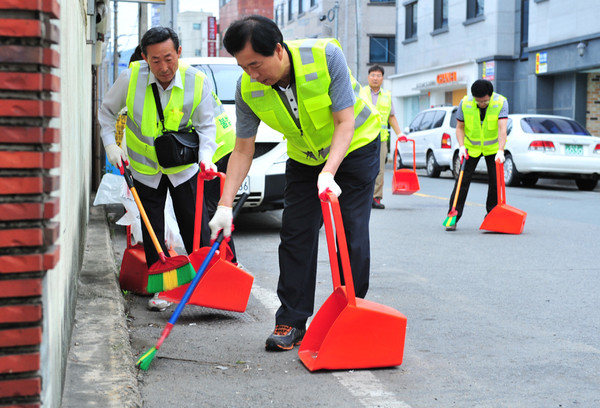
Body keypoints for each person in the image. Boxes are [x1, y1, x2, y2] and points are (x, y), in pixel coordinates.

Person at [209, 15, 382, 351]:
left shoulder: (326, 57)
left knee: (350, 232)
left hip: (355, 147)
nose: (252, 75)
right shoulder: (248, 89)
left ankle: (350, 313)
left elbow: (345, 122)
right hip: (305, 158)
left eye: (256, 65)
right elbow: (242, 150)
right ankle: (291, 318)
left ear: (278, 50)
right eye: (244, 67)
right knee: (295, 234)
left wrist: (330, 172)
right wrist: (225, 205)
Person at [99, 27, 218, 310]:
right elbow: (106, 112)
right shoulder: (130, 78)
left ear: (179, 52)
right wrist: (110, 146)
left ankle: (204, 284)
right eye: (155, 60)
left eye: (169, 58)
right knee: (153, 230)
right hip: (144, 168)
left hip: (183, 167)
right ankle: (163, 289)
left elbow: (206, 126)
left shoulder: (197, 81)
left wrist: (206, 157)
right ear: (144, 57)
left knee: (194, 225)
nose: (163, 67)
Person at [446, 79, 508, 231]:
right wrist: (461, 147)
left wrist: (501, 150)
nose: (481, 104)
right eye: (478, 101)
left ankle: (492, 217)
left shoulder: (500, 102)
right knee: (462, 182)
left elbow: (502, 128)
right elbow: (460, 127)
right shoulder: (465, 103)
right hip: (470, 148)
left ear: (490, 95)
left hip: (493, 149)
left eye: (485, 101)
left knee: (495, 183)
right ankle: (452, 217)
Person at [360, 65, 403, 209]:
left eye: (378, 76)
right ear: (368, 77)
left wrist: (400, 134)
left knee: (379, 169)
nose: (375, 78)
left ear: (382, 78)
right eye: (373, 75)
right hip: (363, 137)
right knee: (362, 168)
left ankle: (376, 198)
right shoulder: (361, 93)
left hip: (381, 138)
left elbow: (391, 117)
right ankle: (363, 197)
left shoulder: (387, 96)